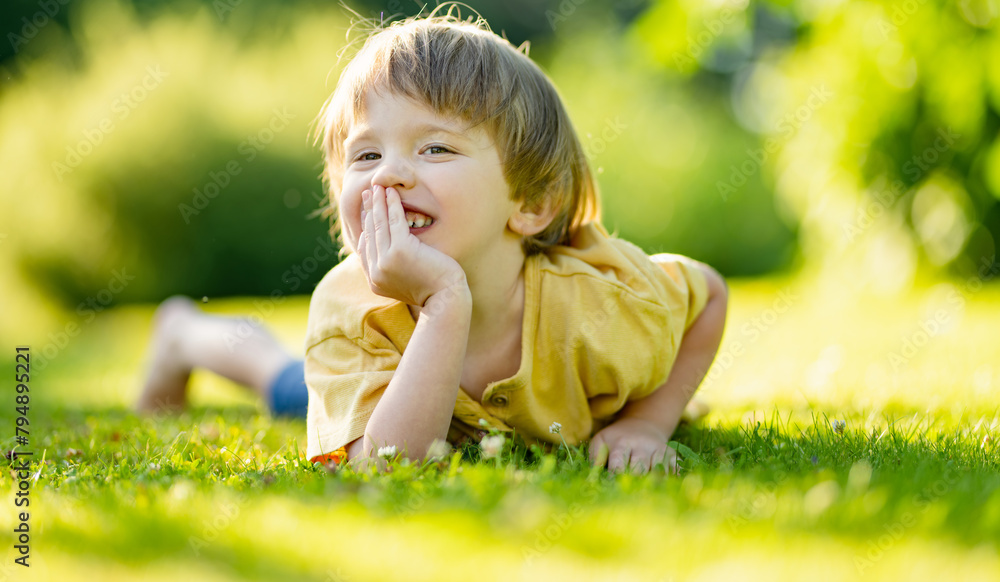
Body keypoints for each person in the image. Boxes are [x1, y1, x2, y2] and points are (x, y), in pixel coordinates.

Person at [139, 9, 727, 474]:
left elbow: (711, 297)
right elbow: (385, 467)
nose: (387, 174)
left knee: (282, 375)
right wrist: (444, 303)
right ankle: (182, 334)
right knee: (283, 382)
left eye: (436, 148)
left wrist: (650, 422)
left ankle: (183, 332)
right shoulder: (353, 314)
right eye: (366, 155)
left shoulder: (606, 304)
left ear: (531, 204)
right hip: (376, 394)